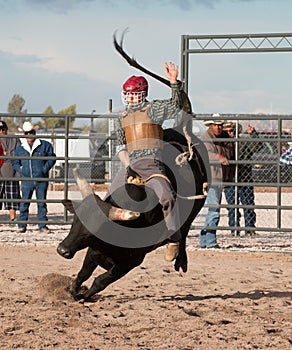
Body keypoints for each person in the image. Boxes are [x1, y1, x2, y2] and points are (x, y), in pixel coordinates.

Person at [111, 62, 184, 262]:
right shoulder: (121, 117)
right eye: (127, 94)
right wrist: (127, 167)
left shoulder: (154, 110)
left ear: (143, 94)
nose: (130, 98)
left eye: (134, 94)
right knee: (108, 199)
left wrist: (173, 83)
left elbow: (176, 106)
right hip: (131, 164)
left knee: (167, 196)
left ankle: (173, 239)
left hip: (152, 163)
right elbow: (121, 147)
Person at [12, 121, 56, 233]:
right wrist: (21, 170)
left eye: (31, 132)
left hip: (41, 179)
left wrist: (44, 169)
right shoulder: (20, 149)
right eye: (27, 133)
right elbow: (15, 162)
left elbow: (52, 158)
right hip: (27, 179)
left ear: (34, 132)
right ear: (24, 134)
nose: (29, 135)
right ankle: (22, 225)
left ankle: (42, 226)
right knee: (24, 202)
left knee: (41, 203)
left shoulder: (45, 145)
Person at [199, 115, 235, 249]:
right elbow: (205, 153)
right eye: (215, 125)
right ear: (210, 125)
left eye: (220, 125)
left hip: (220, 177)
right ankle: (210, 240)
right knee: (214, 209)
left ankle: (204, 239)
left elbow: (232, 155)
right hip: (211, 177)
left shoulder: (225, 138)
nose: (218, 127)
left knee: (213, 208)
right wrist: (218, 157)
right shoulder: (205, 138)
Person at [223, 122, 258, 235]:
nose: (230, 133)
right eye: (227, 131)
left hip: (244, 178)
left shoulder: (243, 142)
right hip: (230, 179)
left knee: (248, 204)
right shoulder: (223, 143)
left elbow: (256, 147)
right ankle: (234, 228)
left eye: (232, 131)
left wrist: (253, 135)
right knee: (232, 206)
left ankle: (250, 229)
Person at [0, 120, 21, 221]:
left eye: (3, 129)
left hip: (12, 172)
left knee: (12, 195)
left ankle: (13, 218)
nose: (1, 131)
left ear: (6, 129)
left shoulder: (14, 139)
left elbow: (19, 154)